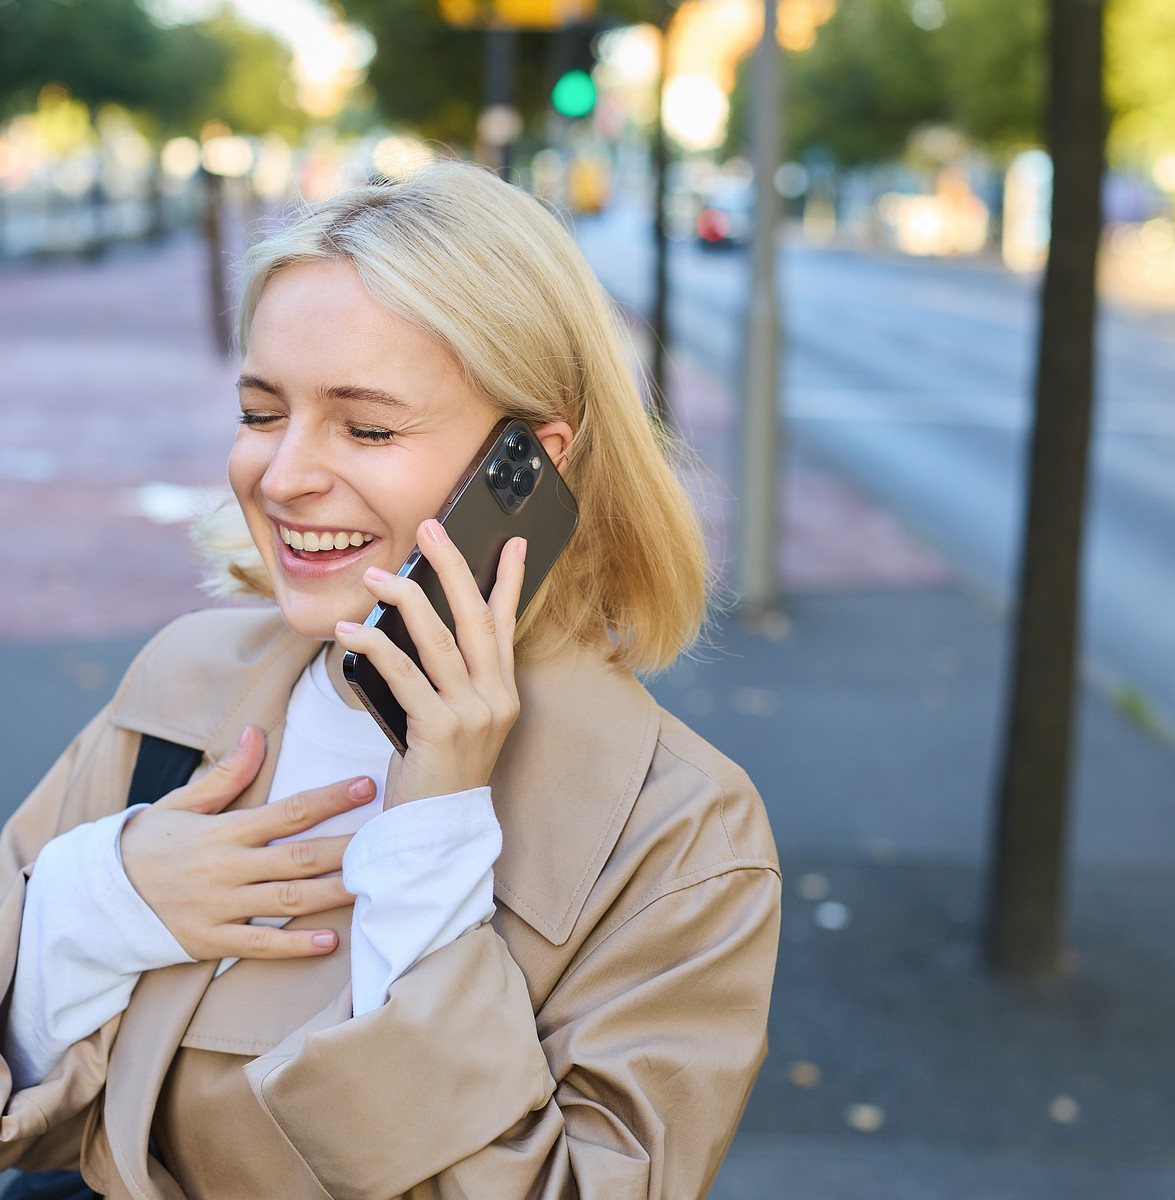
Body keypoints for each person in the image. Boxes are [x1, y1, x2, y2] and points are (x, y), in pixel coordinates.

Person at [0, 160, 780, 1199]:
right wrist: (96, 900)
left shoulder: (678, 832)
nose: (280, 478)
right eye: (262, 410)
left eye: (367, 427)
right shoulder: (183, 684)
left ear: (532, 461)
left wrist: (433, 844)